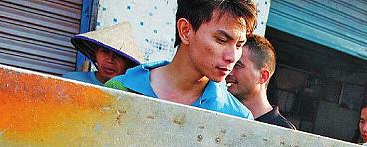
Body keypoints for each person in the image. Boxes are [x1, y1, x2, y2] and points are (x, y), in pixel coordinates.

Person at [105, 0, 255, 119]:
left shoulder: (237, 118)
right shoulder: (119, 89)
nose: (232, 57)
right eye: (221, 40)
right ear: (185, 30)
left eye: (239, 45)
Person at [226, 34, 294, 129]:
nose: (229, 71)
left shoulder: (284, 131)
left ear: (263, 76)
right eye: (230, 63)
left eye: (237, 65)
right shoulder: (221, 112)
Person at [63, 22, 143, 86]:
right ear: (96, 53)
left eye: (119, 56)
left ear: (128, 63)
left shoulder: (132, 94)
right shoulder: (71, 81)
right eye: (105, 51)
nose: (110, 60)